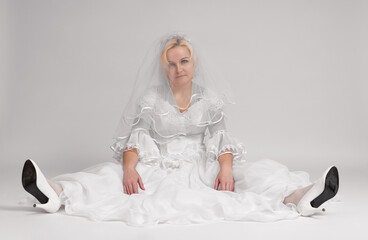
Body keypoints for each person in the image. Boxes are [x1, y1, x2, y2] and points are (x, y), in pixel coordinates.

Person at [21, 33, 339, 226]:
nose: (178, 69)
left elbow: (221, 138)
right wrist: (130, 169)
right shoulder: (150, 99)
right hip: (158, 163)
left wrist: (225, 170)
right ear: (165, 67)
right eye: (172, 64)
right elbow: (135, 140)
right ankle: (53, 193)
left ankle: (302, 197)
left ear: (193, 63)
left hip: (203, 164)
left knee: (251, 178)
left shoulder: (208, 99)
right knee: (111, 179)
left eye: (184, 62)